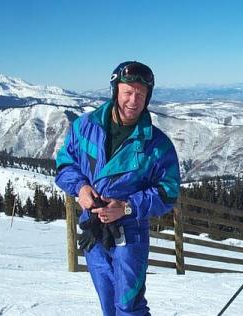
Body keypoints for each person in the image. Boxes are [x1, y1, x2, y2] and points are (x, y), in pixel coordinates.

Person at [55, 61, 180, 316]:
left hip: (130, 232)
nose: (133, 101)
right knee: (108, 303)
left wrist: (127, 206)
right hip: (93, 229)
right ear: (115, 91)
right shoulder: (84, 127)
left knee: (128, 305)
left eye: (141, 95)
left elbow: (169, 191)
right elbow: (64, 165)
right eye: (128, 92)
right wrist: (80, 188)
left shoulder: (157, 145)